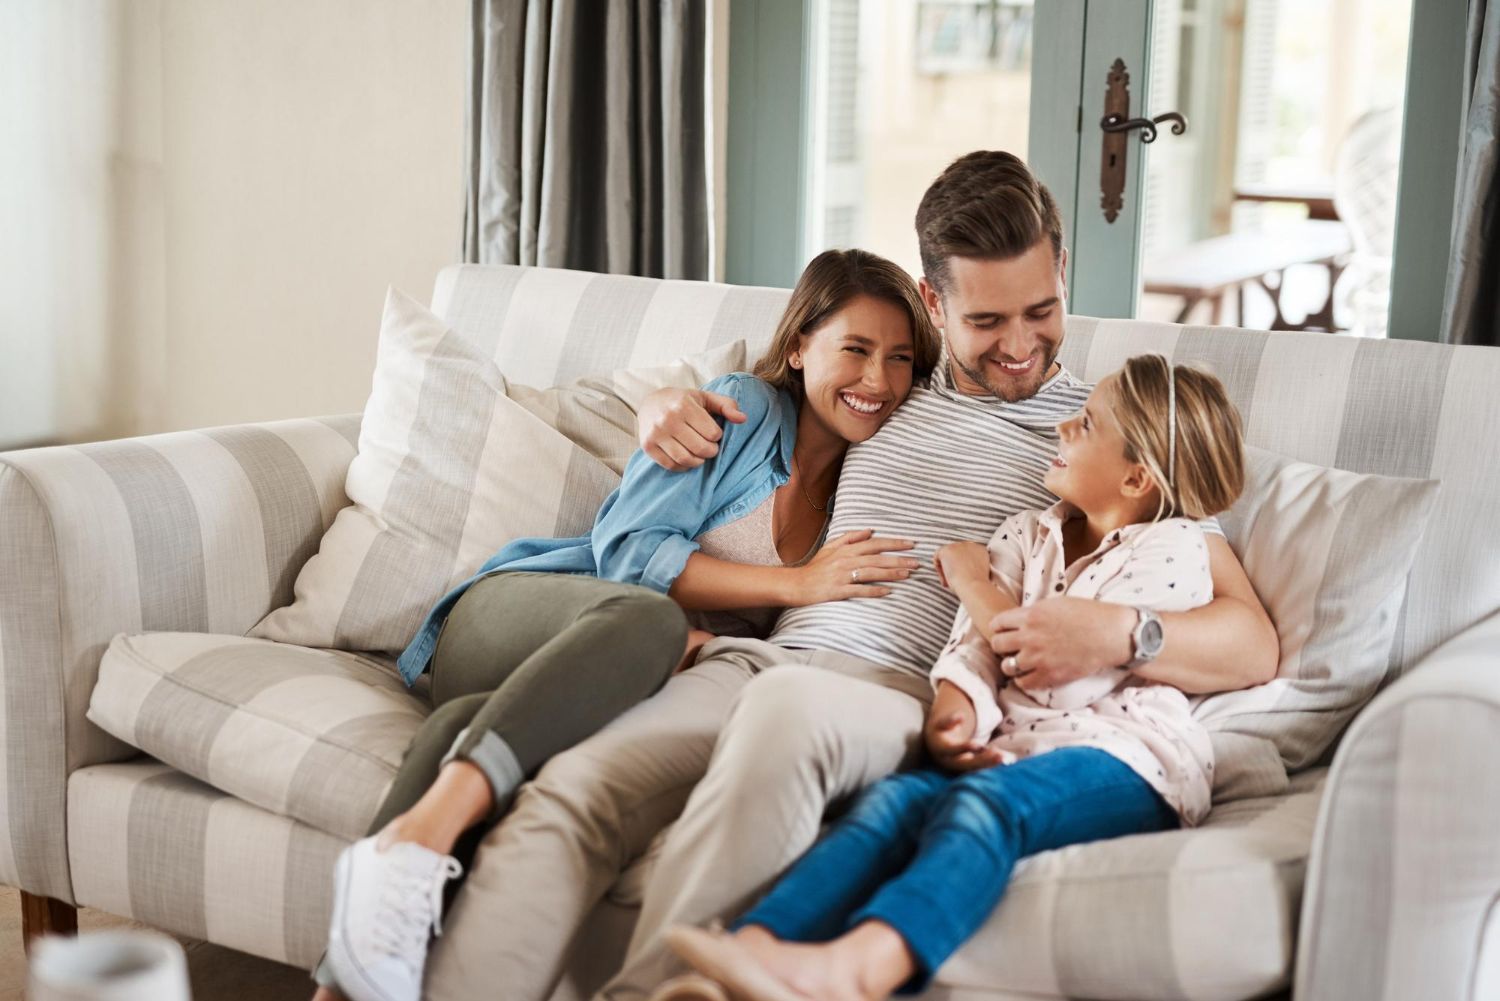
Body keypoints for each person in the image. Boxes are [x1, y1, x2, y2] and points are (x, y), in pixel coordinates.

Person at [413, 151, 1278, 1001]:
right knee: (573, 789)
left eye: (1042, 310)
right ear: (934, 304)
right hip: (764, 661)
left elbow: (1246, 634)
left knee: (785, 713)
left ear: (1063, 270)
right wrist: (656, 406)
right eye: (985, 324)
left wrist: (1126, 632)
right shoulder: (885, 384)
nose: (1019, 347)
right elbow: (746, 399)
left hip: (908, 690)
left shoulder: (1102, 434)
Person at [312, 248, 940, 1001]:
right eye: (857, 349)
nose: (878, 380)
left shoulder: (869, 479)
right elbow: (629, 552)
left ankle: (356, 954)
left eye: (900, 359)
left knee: (466, 729)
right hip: (527, 612)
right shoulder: (737, 411)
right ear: (801, 344)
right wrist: (792, 584)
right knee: (649, 618)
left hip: (607, 680)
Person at [658, 355, 1248, 1001]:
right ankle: (754, 951)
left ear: (1136, 476)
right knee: (891, 803)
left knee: (981, 807)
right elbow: (971, 646)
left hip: (1127, 759)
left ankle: (857, 972)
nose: (1062, 426)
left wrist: (973, 582)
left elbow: (1057, 679)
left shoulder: (1172, 547)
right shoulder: (1029, 531)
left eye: (1086, 424)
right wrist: (955, 708)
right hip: (1019, 746)